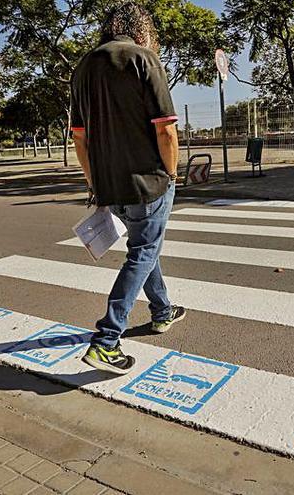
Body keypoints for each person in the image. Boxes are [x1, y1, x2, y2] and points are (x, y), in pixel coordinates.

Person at [70, 1, 186, 375]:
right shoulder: (143, 59)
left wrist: (94, 183)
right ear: (142, 30)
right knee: (144, 250)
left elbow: (79, 137)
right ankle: (106, 340)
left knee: (144, 247)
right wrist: (171, 173)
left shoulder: (83, 68)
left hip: (110, 186)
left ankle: (162, 311)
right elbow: (165, 128)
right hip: (148, 181)